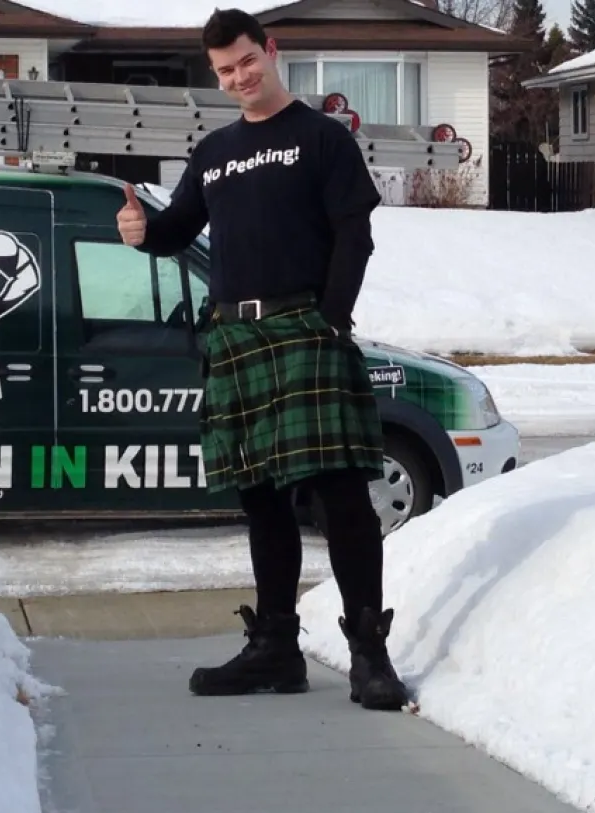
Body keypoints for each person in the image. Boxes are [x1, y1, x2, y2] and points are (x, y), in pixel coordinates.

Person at [116, 7, 409, 711]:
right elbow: (176, 230)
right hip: (234, 336)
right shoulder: (214, 151)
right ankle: (276, 648)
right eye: (224, 70)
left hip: (304, 327)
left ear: (271, 51)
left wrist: (331, 322)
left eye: (247, 60)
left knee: (342, 495)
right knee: (261, 499)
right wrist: (140, 232)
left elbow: (353, 236)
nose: (240, 77)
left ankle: (369, 652)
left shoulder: (321, 138)